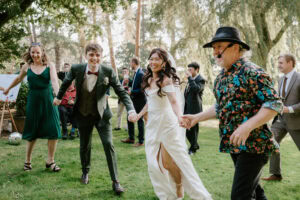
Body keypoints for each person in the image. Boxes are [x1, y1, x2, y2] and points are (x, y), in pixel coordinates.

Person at [182, 27, 282, 200]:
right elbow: (221, 106)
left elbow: (274, 104)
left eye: (219, 47)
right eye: (213, 48)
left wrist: (246, 127)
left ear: (236, 47)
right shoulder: (221, 77)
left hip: (254, 146)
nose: (215, 52)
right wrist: (196, 118)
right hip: (234, 144)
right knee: (255, 192)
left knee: (240, 195)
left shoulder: (253, 72)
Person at [53, 43, 137, 195]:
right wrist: (59, 97)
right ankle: (85, 172)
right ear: (86, 56)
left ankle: (115, 181)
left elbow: (121, 92)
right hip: (83, 114)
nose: (95, 58)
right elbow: (66, 82)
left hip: (102, 115)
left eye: (97, 55)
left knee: (109, 144)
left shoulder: (108, 71)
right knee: (85, 145)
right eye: (91, 54)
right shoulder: (77, 69)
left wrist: (131, 109)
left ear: (101, 56)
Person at [130, 48, 212, 200]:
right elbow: (150, 102)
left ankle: (180, 188)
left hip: (167, 123)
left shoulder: (166, 80)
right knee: (154, 164)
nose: (153, 62)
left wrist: (180, 117)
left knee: (171, 162)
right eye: (151, 58)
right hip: (153, 124)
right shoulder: (148, 79)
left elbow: (174, 101)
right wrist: (138, 115)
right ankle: (167, 194)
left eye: (157, 59)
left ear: (164, 63)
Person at [3, 42, 62, 172]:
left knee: (53, 130)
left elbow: (54, 81)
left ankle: (50, 161)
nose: (35, 55)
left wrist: (58, 96)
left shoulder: (50, 66)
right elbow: (18, 79)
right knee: (32, 132)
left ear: (42, 53)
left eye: (37, 52)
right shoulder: (27, 67)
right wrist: (7, 89)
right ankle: (27, 162)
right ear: (30, 53)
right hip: (33, 102)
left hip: (48, 101)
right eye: (33, 52)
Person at [262, 53, 300, 181]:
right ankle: (275, 174)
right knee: (271, 141)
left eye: (281, 63)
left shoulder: (299, 78)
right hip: (280, 120)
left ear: (290, 63)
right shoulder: (281, 79)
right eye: (278, 63)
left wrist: (289, 109)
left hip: (297, 121)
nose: (278, 65)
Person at [121, 57, 146, 147]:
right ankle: (131, 138)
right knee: (130, 116)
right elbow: (135, 84)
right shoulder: (136, 73)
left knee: (139, 120)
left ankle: (141, 141)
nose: (130, 64)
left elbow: (143, 89)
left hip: (140, 100)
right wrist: (130, 81)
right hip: (134, 99)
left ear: (134, 63)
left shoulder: (141, 73)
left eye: (130, 63)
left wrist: (132, 92)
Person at [184, 62, 206, 155]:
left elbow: (196, 89)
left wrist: (189, 78)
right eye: (188, 69)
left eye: (190, 69)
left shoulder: (201, 80)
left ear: (197, 70)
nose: (188, 71)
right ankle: (195, 145)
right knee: (186, 129)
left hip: (195, 108)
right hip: (187, 106)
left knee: (193, 129)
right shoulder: (191, 80)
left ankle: (193, 148)